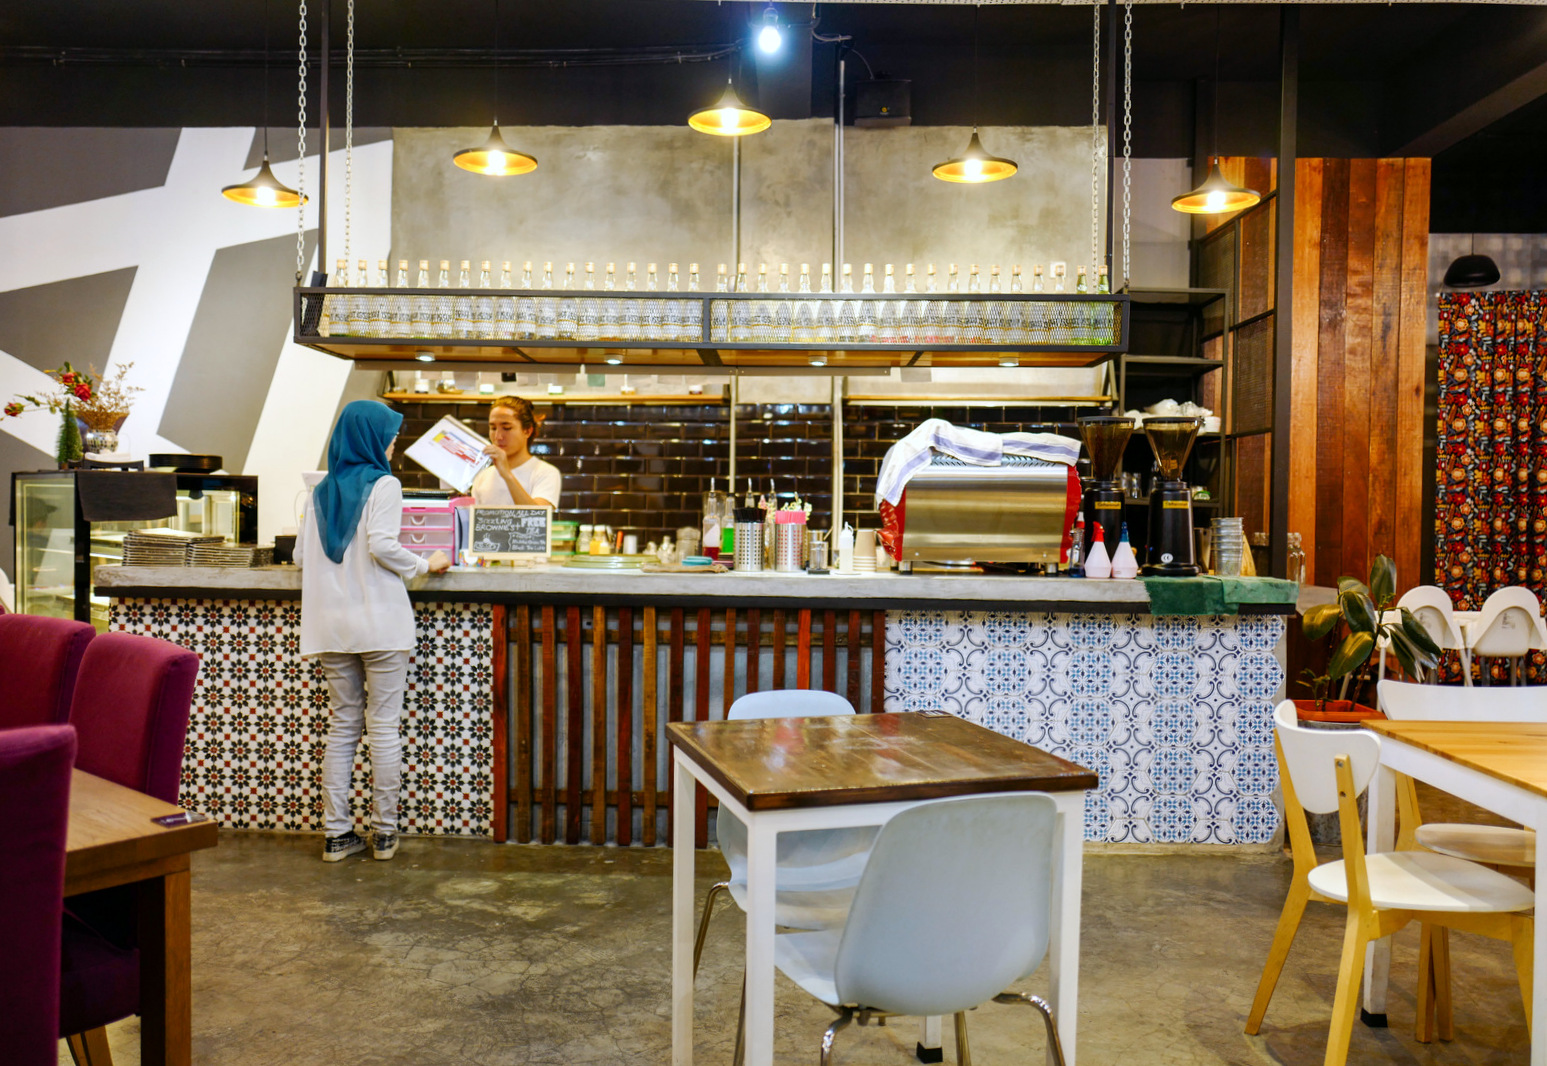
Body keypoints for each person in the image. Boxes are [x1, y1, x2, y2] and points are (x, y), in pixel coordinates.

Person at [295, 400, 450, 863]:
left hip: (329, 626)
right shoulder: (385, 484)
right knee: (383, 727)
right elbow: (382, 545)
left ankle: (337, 834)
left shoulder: (319, 491)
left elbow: (301, 558)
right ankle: (384, 833)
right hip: (380, 623)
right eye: (390, 436)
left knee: (343, 725)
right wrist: (426, 564)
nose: (393, 444)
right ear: (370, 438)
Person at [471, 398, 561, 509]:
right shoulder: (482, 477)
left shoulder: (545, 472)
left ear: (527, 431)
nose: (498, 436)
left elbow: (538, 516)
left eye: (507, 428)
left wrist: (507, 475)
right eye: (493, 428)